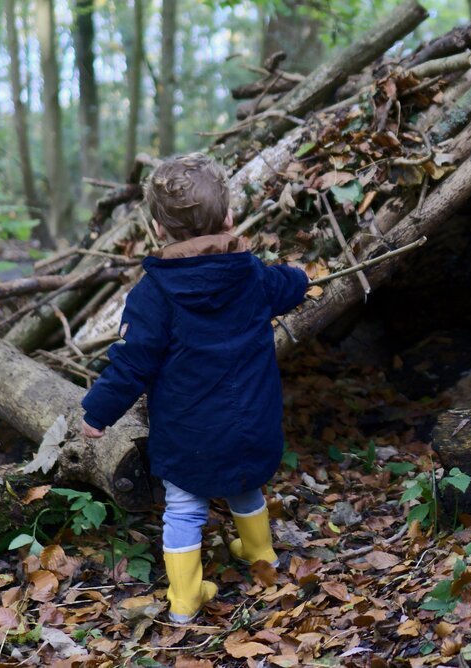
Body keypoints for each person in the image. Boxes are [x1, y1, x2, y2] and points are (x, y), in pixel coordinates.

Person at [80, 153, 308, 623]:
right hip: (253, 425)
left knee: (184, 508)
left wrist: (96, 413)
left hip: (191, 436)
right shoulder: (251, 274)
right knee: (247, 486)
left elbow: (132, 363)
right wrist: (302, 275)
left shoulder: (154, 294)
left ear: (159, 231)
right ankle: (261, 555)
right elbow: (289, 287)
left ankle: (185, 598)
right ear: (228, 218)